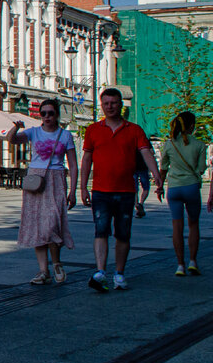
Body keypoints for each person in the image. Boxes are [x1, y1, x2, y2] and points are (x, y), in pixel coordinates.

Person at [80, 87, 163, 292]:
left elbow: (146, 153)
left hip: (126, 191)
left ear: (121, 105)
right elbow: (86, 160)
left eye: (114, 103)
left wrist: (157, 175)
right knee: (100, 231)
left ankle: (119, 273)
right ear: (102, 105)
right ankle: (100, 272)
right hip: (101, 190)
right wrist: (82, 187)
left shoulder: (134, 130)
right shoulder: (93, 130)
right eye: (106, 103)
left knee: (123, 234)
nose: (110, 107)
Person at [7, 98, 77, 285]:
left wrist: (74, 190)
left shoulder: (65, 135)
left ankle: (56, 264)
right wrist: (16, 128)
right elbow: (12, 140)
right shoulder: (34, 132)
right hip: (35, 180)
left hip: (55, 178)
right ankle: (43, 271)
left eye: (50, 113)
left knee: (52, 223)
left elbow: (74, 164)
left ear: (57, 115)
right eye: (43, 113)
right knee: (37, 225)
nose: (46, 117)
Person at [159, 111, 206, 276]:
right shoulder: (200, 145)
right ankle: (193, 261)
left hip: (174, 188)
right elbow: (201, 169)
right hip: (191, 187)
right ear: (192, 126)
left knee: (176, 227)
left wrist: (159, 186)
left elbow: (163, 167)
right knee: (193, 225)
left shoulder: (169, 144)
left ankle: (180, 265)